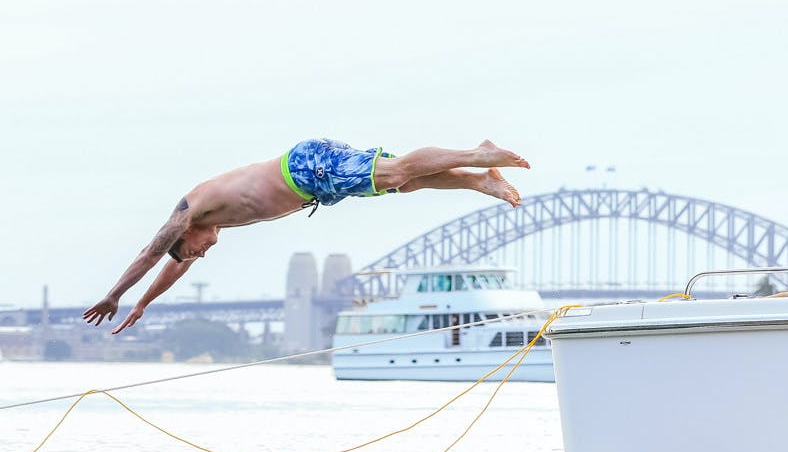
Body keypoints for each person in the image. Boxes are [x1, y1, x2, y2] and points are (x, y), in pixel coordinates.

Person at [83, 139, 529, 334]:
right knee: (401, 182)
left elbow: (152, 253)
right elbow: (172, 269)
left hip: (303, 169)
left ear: (186, 235)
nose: (201, 253)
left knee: (395, 171)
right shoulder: (213, 223)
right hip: (313, 183)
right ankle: (479, 180)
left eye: (193, 251)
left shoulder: (192, 210)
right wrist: (144, 303)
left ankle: (479, 153)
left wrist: (114, 294)